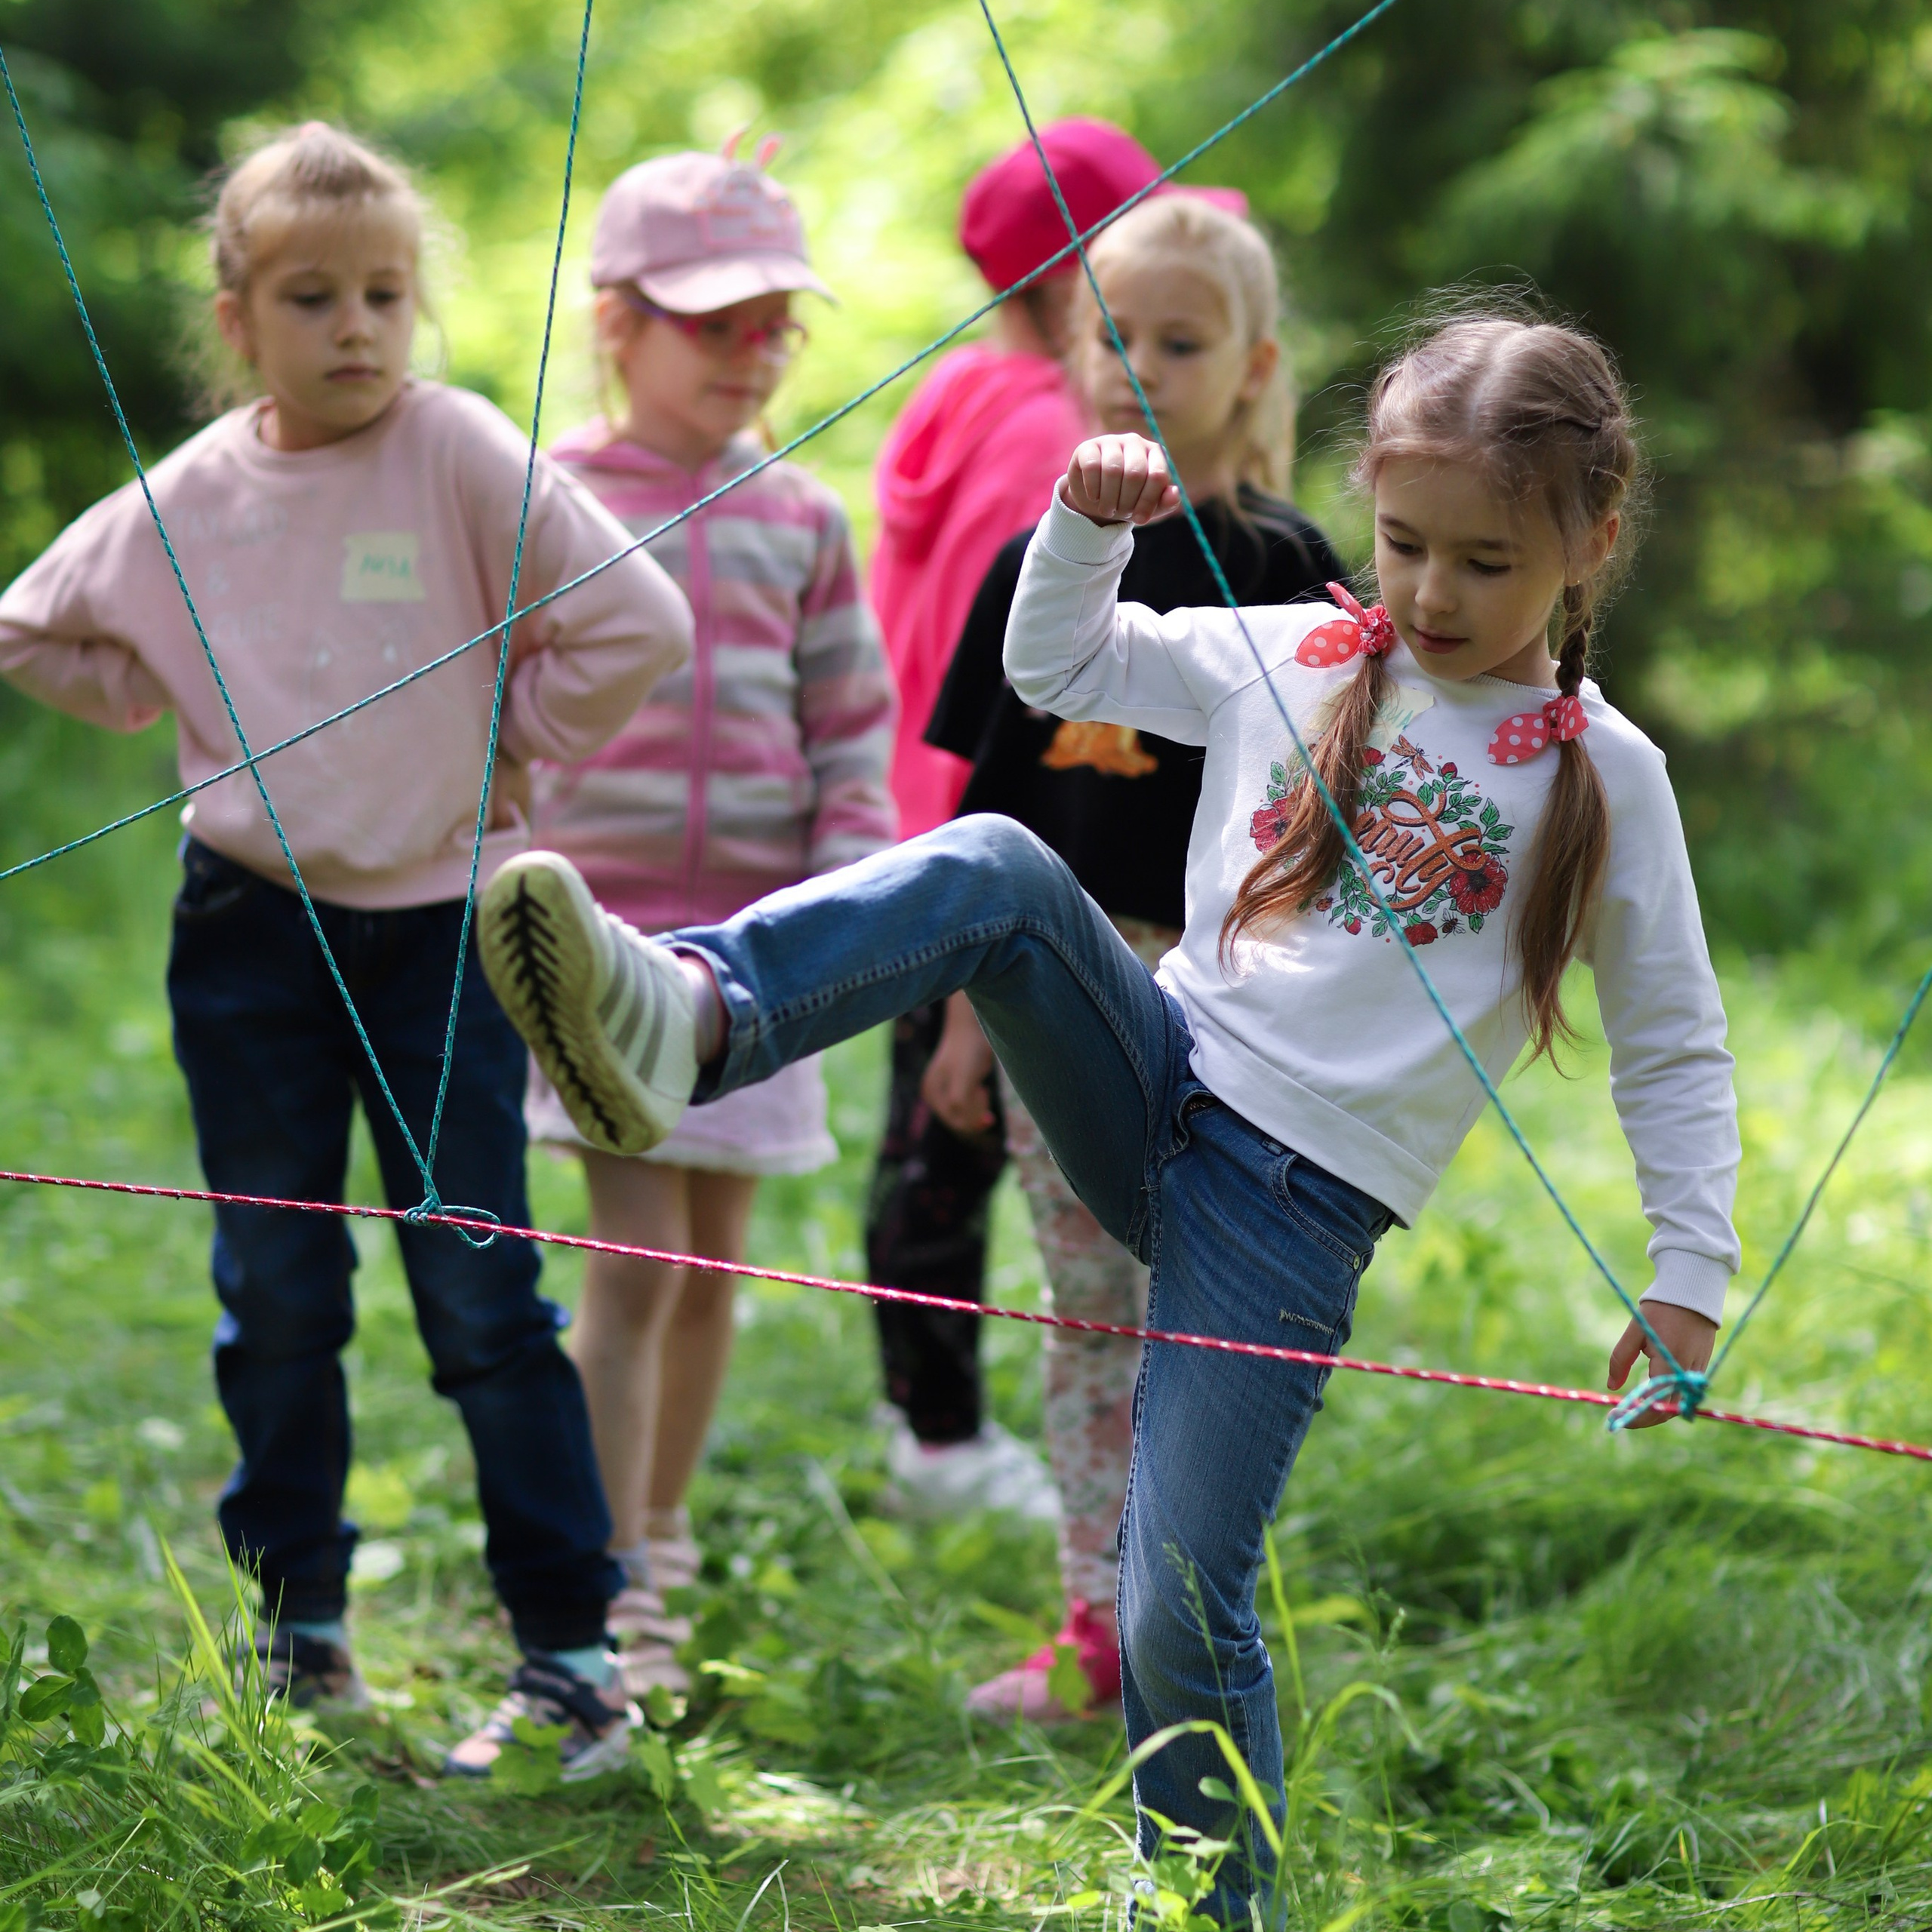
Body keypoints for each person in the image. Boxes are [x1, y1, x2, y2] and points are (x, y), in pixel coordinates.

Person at [475, 307, 1741, 1912]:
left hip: (1287, 1217)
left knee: (1173, 1602)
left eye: (1484, 561)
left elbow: (1672, 1043)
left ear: (1590, 540)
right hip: (1151, 1069)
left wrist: (1688, 1271)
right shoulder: (1298, 652)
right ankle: (695, 1013)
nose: (1431, 592)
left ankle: (1216, 1902)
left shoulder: (1604, 776)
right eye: (1404, 542)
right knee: (1001, 864)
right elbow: (1060, 668)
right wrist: (1082, 527)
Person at [0, 123, 694, 1781]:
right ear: (238, 318)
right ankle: (298, 1634)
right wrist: (172, 697)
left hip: (444, 936)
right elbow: (32, 627)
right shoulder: (190, 492)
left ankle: (573, 1659)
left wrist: (514, 734)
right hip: (248, 940)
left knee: (479, 1289)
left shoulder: (453, 447)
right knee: (277, 1292)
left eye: (385, 292)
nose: (357, 327)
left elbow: (637, 620)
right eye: (312, 297)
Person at [920, 193, 1343, 1721]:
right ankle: (1096, 1624)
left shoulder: (1292, 568)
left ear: (1254, 366)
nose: (1137, 364)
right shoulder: (1038, 563)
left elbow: (1333, 817)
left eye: (1180, 340)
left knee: (1212, 1306)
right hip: (1058, 979)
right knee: (1087, 1297)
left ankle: (1190, 1607)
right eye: (1111, 332)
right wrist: (965, 1014)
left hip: (1236, 989)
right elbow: (988, 817)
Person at [523, 143, 896, 1698]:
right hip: (589, 945)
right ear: (616, 322)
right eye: (712, 323)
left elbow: (851, 731)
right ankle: (600, 1567)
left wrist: (842, 900)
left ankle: (659, 1536)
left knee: (713, 1261)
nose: (750, 355)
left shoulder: (801, 516)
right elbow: (495, 710)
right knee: (636, 1257)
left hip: (755, 952)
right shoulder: (542, 499)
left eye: (772, 327)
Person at [866, 118, 1243, 1517]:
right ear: (1073, 285)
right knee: (972, 1147)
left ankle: (929, 1421)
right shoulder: (1056, 439)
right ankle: (941, 1435)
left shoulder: (957, 397)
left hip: (945, 822)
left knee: (937, 1148)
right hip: (1030, 834)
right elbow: (1030, 671)